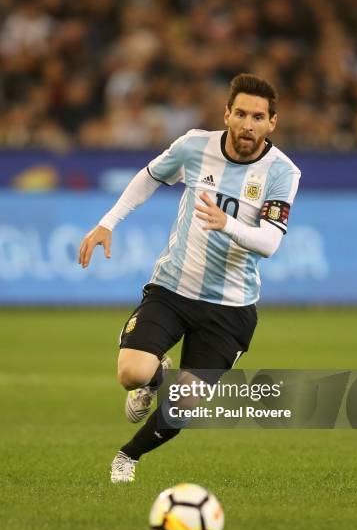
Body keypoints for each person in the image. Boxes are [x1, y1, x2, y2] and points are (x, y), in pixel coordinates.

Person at [78, 73, 301, 483]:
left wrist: (227, 223)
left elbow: (269, 242)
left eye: (257, 116)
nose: (247, 124)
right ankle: (154, 376)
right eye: (240, 114)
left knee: (185, 405)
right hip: (173, 289)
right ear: (227, 115)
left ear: (272, 122)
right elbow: (148, 177)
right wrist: (107, 223)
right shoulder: (195, 145)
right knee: (131, 373)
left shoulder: (283, 172)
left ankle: (127, 457)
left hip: (231, 306)